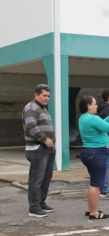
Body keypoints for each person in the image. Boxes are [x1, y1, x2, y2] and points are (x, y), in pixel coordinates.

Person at [78, 95, 109, 220]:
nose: (96, 106)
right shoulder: (91, 118)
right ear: (88, 105)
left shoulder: (85, 118)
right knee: (96, 184)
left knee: (94, 182)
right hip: (96, 154)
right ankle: (94, 213)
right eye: (94, 104)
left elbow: (103, 124)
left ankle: (91, 209)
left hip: (89, 153)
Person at [23, 84, 56, 218]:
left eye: (48, 96)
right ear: (36, 95)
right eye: (44, 95)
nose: (47, 98)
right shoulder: (31, 108)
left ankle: (41, 203)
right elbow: (31, 126)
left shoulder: (42, 109)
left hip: (47, 148)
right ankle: (34, 208)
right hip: (37, 148)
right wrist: (44, 139)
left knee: (46, 178)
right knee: (36, 179)